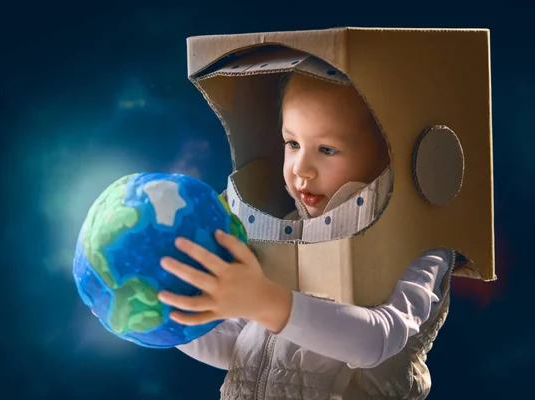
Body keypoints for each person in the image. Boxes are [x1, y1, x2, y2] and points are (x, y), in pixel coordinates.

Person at [157, 72, 458, 399]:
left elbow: (378, 339)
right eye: (293, 143)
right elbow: (242, 349)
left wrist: (266, 302)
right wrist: (168, 317)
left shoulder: (416, 244)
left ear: (390, 154)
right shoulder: (282, 229)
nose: (301, 168)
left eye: (327, 149)